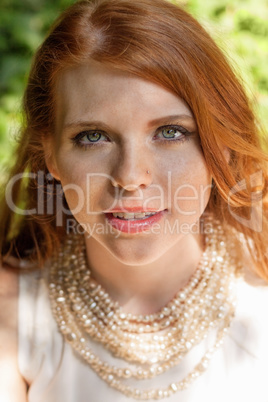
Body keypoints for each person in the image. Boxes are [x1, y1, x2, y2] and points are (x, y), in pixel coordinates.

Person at [0, 0, 267, 400]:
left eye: (171, 132)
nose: (130, 177)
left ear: (222, 143)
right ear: (52, 154)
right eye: (93, 136)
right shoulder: (12, 314)